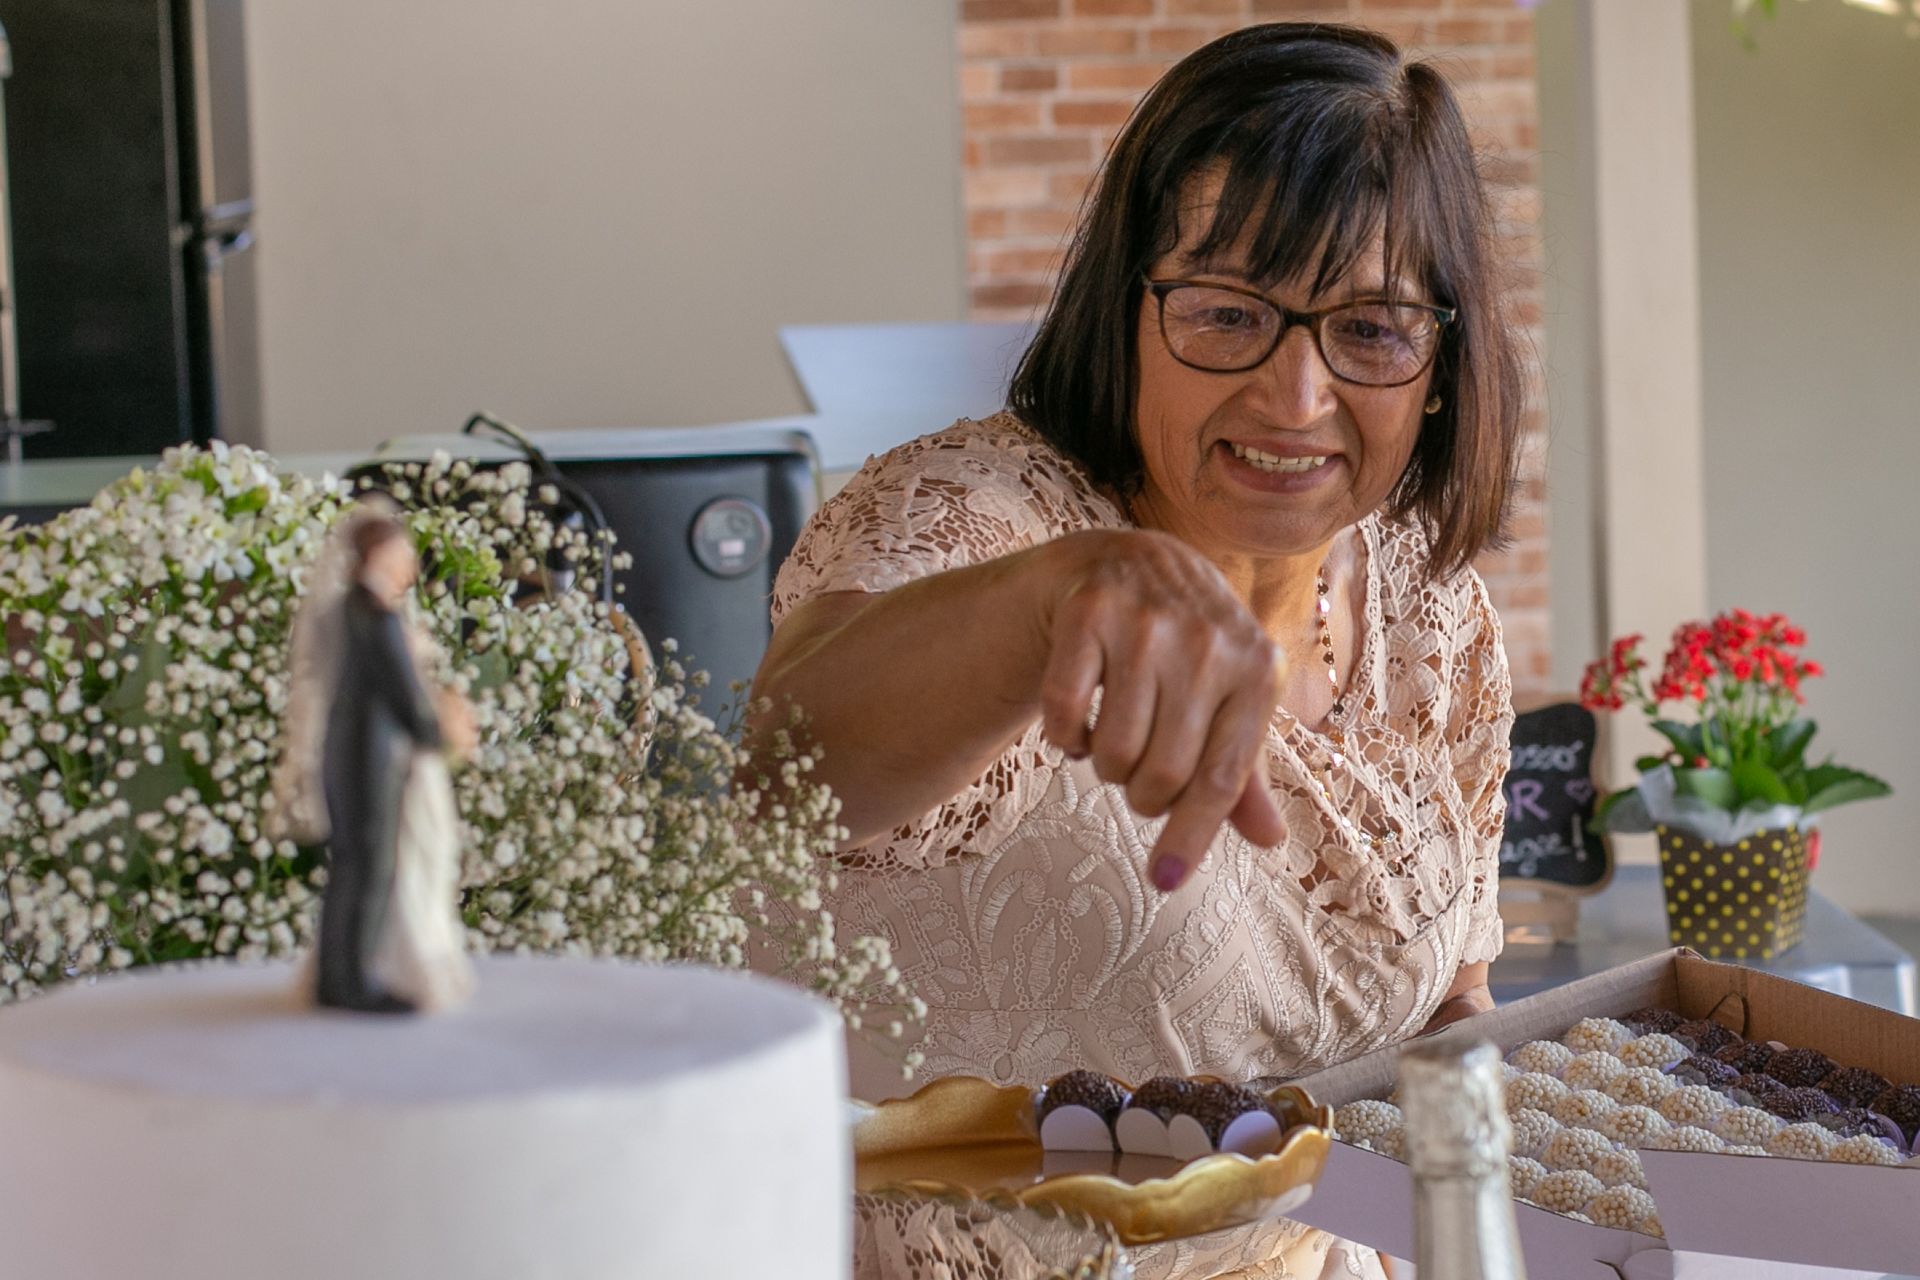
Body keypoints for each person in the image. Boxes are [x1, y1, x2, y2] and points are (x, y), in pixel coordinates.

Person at [753, 23, 1524, 1278]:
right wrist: (1060, 599)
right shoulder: (979, 520)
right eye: (1228, 313)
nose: (1295, 398)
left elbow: (1450, 1010)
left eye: (1372, 330)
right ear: (1127, 312)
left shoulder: (1431, 608)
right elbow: (796, 762)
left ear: (1441, 364)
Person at [274, 501, 478, 1014]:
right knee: (367, 868)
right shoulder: (375, 618)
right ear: (378, 555)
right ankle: (348, 982)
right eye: (401, 552)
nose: (409, 562)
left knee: (357, 868)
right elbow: (404, 697)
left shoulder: (352, 611)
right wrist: (444, 735)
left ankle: (343, 973)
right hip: (372, 757)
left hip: (357, 753)